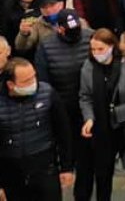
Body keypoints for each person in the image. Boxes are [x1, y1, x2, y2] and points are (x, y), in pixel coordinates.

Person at [78, 28, 125, 201]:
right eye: (93, 49)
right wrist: (89, 117)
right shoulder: (88, 67)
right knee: (103, 171)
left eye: (101, 49)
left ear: (112, 46)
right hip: (102, 126)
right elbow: (85, 96)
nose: (96, 53)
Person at [0, 57, 74, 201]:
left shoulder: (47, 93)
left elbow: (63, 132)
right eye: (26, 81)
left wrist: (67, 167)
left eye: (34, 77)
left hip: (45, 168)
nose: (33, 83)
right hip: (11, 173)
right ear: (10, 84)